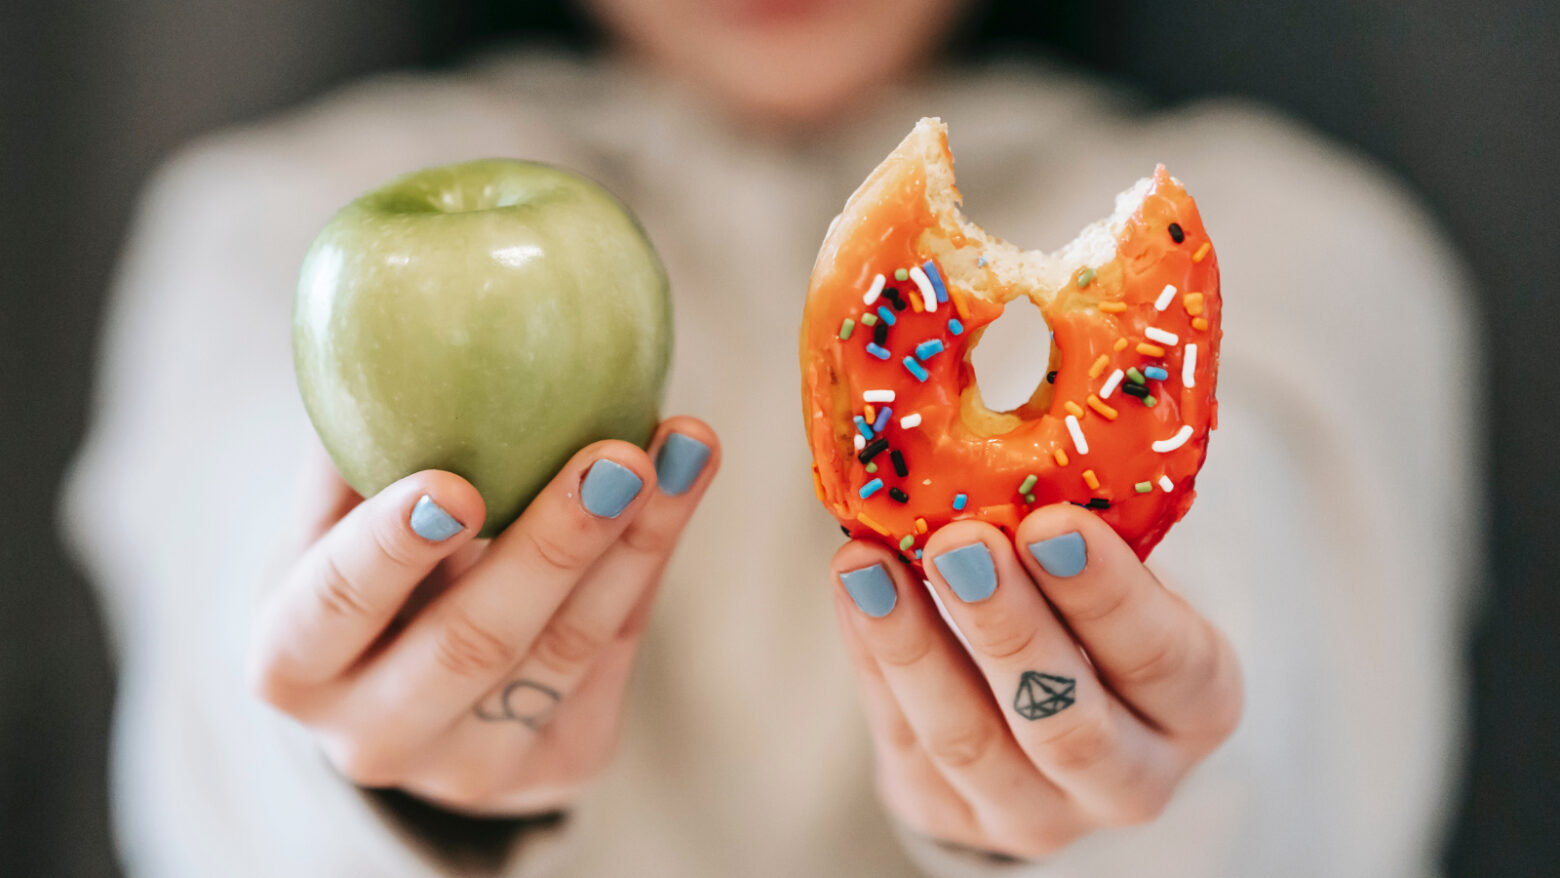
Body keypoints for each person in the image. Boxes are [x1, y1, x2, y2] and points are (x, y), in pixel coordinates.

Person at [61, 0, 1481, 875]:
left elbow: (1289, 666)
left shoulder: (1307, 239)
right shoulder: (264, 220)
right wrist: (382, 777)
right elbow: (221, 673)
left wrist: (1114, 784)